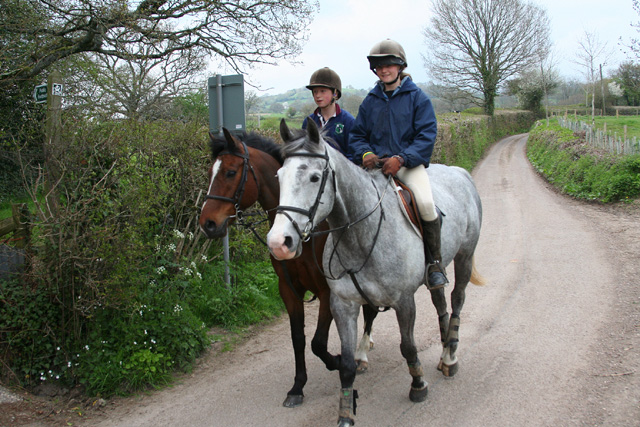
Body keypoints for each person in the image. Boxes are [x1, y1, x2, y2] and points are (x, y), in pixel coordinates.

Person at [348, 39, 447, 290]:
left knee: (425, 203)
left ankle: (434, 263)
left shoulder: (418, 98)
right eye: (379, 67)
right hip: (376, 168)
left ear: (400, 66)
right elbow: (357, 135)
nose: (384, 70)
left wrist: (402, 158)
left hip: (409, 165)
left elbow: (426, 135)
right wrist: (366, 154)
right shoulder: (370, 101)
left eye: (389, 65)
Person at [302, 67, 355, 160]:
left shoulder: (348, 121)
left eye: (323, 91)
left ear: (335, 93)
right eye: (315, 92)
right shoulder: (308, 122)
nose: (318, 95)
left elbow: (353, 153)